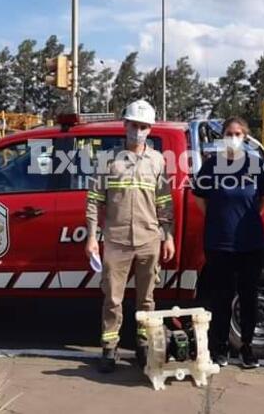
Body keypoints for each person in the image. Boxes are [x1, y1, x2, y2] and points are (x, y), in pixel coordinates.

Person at [85, 99, 175, 373]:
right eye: (135, 125)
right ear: (125, 125)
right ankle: (109, 349)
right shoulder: (107, 160)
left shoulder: (158, 160)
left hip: (149, 239)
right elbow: (93, 200)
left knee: (146, 299)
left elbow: (165, 203)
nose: (139, 131)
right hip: (116, 240)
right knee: (113, 299)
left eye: (144, 127)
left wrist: (167, 236)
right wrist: (91, 237)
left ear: (150, 129)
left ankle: (142, 345)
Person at [191, 117, 264, 369]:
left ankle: (247, 347)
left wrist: (249, 217)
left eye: (238, 133)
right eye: (229, 132)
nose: (233, 137)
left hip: (250, 243)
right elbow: (199, 198)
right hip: (219, 244)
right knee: (221, 298)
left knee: (249, 297)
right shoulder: (211, 165)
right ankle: (221, 348)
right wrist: (218, 219)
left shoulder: (255, 165)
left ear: (245, 137)